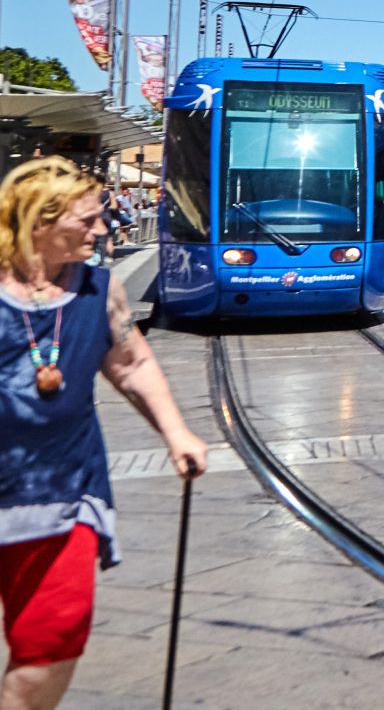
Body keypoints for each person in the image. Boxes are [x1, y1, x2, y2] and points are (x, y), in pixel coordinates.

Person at [1, 158, 208, 709]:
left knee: (52, 640)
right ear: (36, 222)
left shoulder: (101, 290)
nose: (102, 230)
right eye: (87, 221)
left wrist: (176, 432)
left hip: (63, 492)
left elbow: (131, 363)